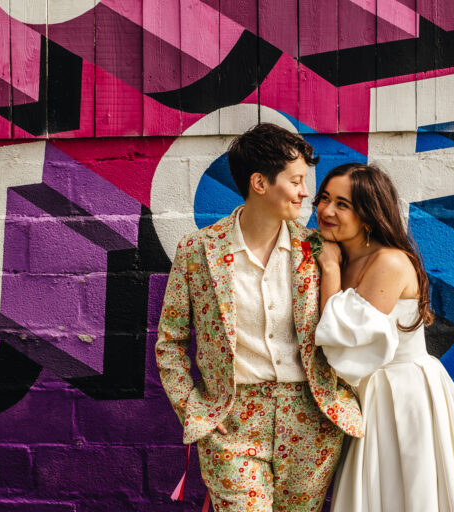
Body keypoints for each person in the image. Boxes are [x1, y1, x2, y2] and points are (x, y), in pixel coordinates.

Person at [155, 124, 363, 512]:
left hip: (310, 420)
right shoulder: (198, 252)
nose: (306, 192)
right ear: (259, 183)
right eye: (297, 180)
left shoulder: (319, 250)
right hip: (231, 422)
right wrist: (192, 408)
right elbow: (170, 342)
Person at [313, 163, 454, 512]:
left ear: (368, 214)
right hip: (371, 397)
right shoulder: (344, 256)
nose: (326, 210)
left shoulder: (389, 262)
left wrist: (328, 270)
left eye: (343, 204)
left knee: (412, 493)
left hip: (402, 397)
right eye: (324, 198)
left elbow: (341, 342)